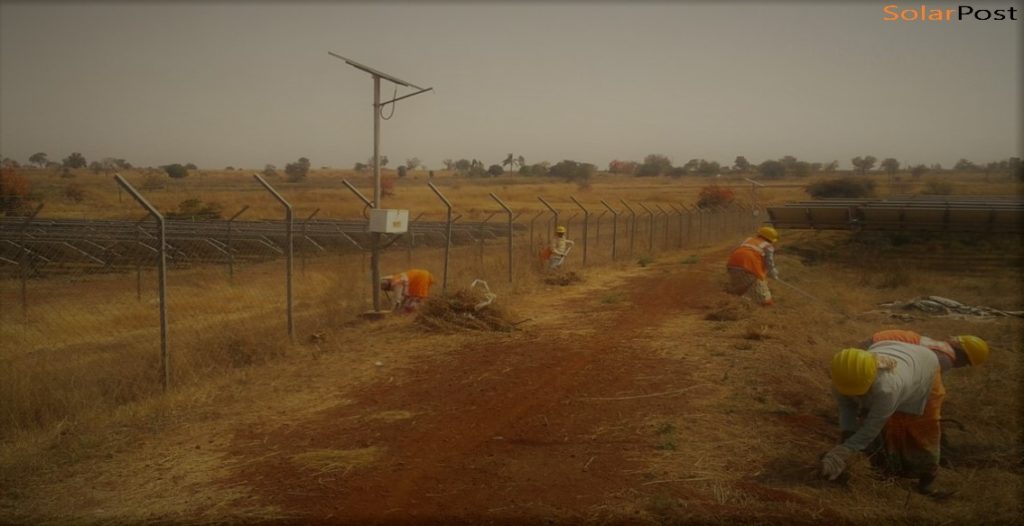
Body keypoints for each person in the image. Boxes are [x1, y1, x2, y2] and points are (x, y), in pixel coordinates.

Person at [821, 335, 989, 495]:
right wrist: (845, 440)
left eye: (860, 392)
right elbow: (847, 408)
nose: (856, 396)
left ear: (871, 380)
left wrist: (844, 450)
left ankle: (927, 480)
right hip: (897, 354)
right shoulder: (843, 378)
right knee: (880, 424)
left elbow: (873, 426)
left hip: (925, 368)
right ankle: (884, 470)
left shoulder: (888, 388)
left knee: (922, 429)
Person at [726, 226, 779, 306]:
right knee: (765, 299)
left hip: (732, 265)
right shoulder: (768, 246)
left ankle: (735, 303)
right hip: (748, 268)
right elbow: (769, 262)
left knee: (742, 289)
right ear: (770, 239)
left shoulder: (748, 240)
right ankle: (754, 307)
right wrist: (773, 273)